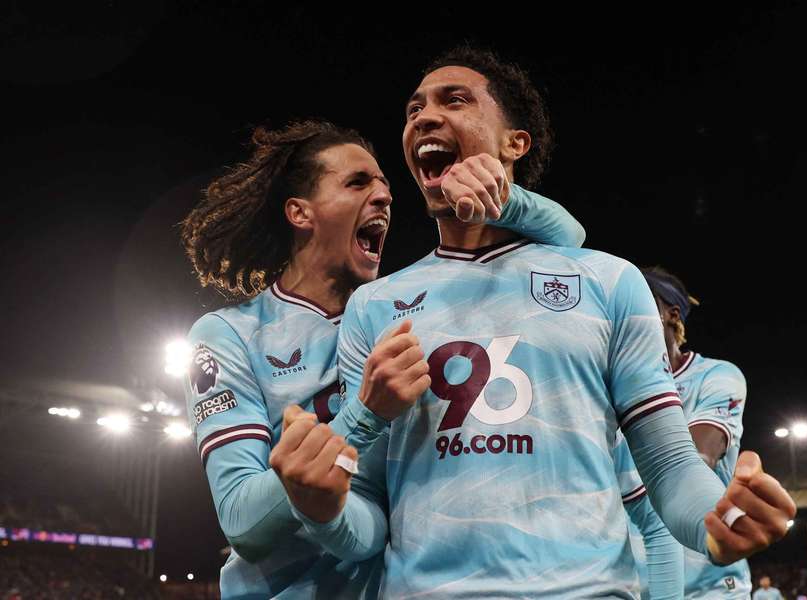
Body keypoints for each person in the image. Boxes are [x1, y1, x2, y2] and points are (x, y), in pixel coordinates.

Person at [279, 47, 796, 598]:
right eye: (413, 109)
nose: (424, 117)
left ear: (514, 144)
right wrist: (323, 509)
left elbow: (669, 469)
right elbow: (372, 521)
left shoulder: (608, 282)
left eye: (454, 100)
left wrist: (722, 519)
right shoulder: (374, 306)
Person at [180, 119, 586, 598]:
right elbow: (243, 523)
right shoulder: (229, 336)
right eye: (357, 183)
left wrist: (506, 198)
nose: (384, 196)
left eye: (385, 185)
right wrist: (365, 414)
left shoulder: (396, 310)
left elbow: (571, 244)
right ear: (300, 213)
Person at [642, 266, 753, 598]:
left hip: (707, 584)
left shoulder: (716, 375)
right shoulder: (606, 387)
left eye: (638, 303)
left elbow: (694, 458)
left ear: (670, 314)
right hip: (631, 583)